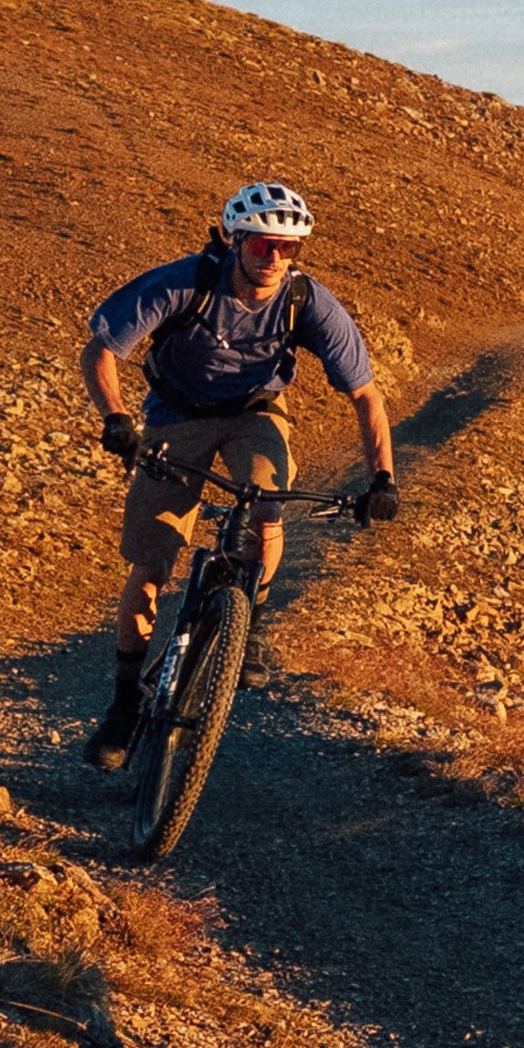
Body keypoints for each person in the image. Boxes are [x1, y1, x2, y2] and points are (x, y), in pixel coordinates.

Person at [79, 181, 401, 759]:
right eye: (261, 246)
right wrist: (117, 420)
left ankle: (246, 623)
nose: (274, 259)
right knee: (150, 567)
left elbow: (366, 396)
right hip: (175, 415)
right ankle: (123, 708)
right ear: (236, 242)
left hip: (256, 412)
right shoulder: (185, 281)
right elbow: (100, 349)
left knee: (267, 500)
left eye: (287, 248)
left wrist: (382, 479)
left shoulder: (308, 302)